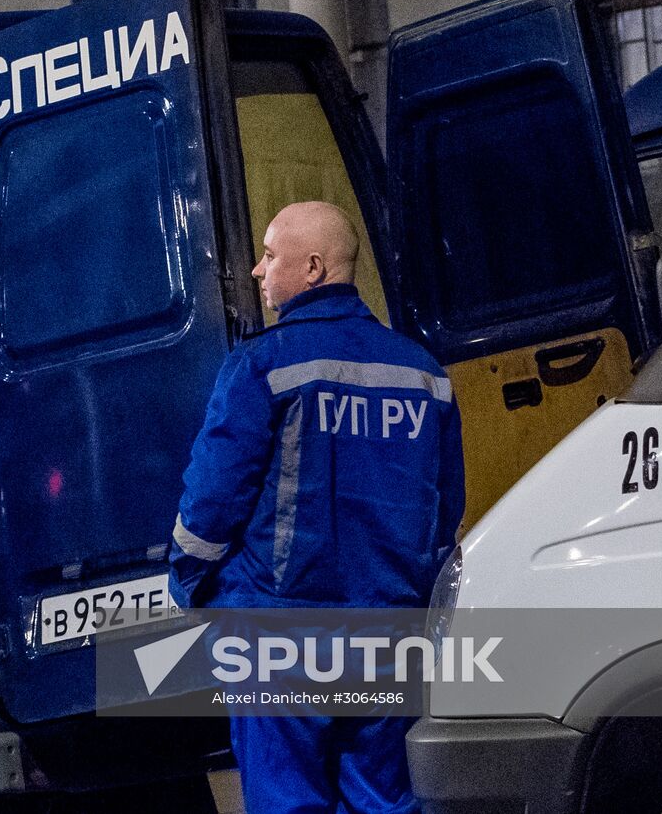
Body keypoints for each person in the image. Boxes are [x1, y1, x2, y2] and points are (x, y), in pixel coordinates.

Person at [168, 202, 464, 813]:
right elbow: (446, 508)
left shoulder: (262, 364)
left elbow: (213, 500)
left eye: (270, 255)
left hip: (280, 633)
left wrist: (190, 583)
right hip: (387, 632)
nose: (256, 270)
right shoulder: (424, 375)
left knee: (287, 801)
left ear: (312, 268)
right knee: (384, 800)